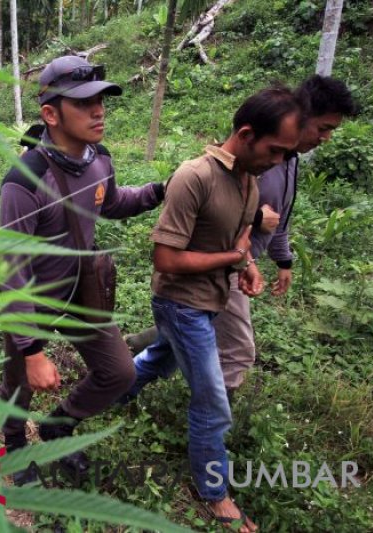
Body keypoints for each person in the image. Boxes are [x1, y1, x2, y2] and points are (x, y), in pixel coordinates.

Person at [123, 87, 307, 532]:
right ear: (245, 134)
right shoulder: (195, 177)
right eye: (275, 150)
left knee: (157, 361)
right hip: (181, 303)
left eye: (287, 154)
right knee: (212, 402)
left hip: (213, 299)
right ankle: (214, 492)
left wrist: (245, 263)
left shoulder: (249, 180)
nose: (279, 162)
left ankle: (107, 389)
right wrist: (229, 260)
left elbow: (243, 233)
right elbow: (165, 259)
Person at [0, 55, 165, 483]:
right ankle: (15, 446)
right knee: (19, 381)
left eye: (101, 101)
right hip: (32, 298)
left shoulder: (100, 159)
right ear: (50, 114)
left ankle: (59, 424)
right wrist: (33, 351)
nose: (98, 111)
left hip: (81, 292)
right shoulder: (25, 179)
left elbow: (110, 203)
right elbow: (12, 271)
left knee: (120, 371)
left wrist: (160, 190)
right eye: (84, 103)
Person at [214, 75, 356, 393]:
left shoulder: (288, 159)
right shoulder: (260, 156)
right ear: (302, 117)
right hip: (226, 261)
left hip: (242, 260)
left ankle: (128, 367)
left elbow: (282, 213)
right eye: (323, 128)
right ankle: (210, 432)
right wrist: (253, 221)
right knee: (238, 353)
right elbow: (216, 207)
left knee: (187, 325)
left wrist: (283, 258)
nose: (326, 138)